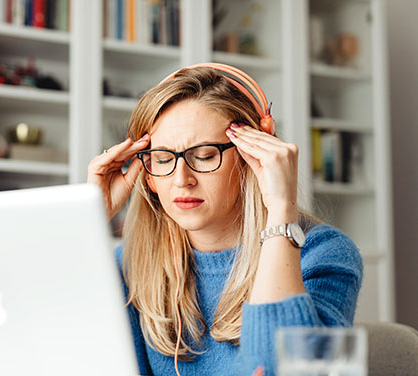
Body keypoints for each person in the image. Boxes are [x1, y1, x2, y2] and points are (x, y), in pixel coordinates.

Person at [87, 63, 363, 376]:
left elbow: (292, 371)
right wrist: (88, 220)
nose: (181, 179)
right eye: (163, 159)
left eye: (204, 156)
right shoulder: (130, 263)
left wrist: (280, 212)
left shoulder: (326, 254)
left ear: (252, 157)